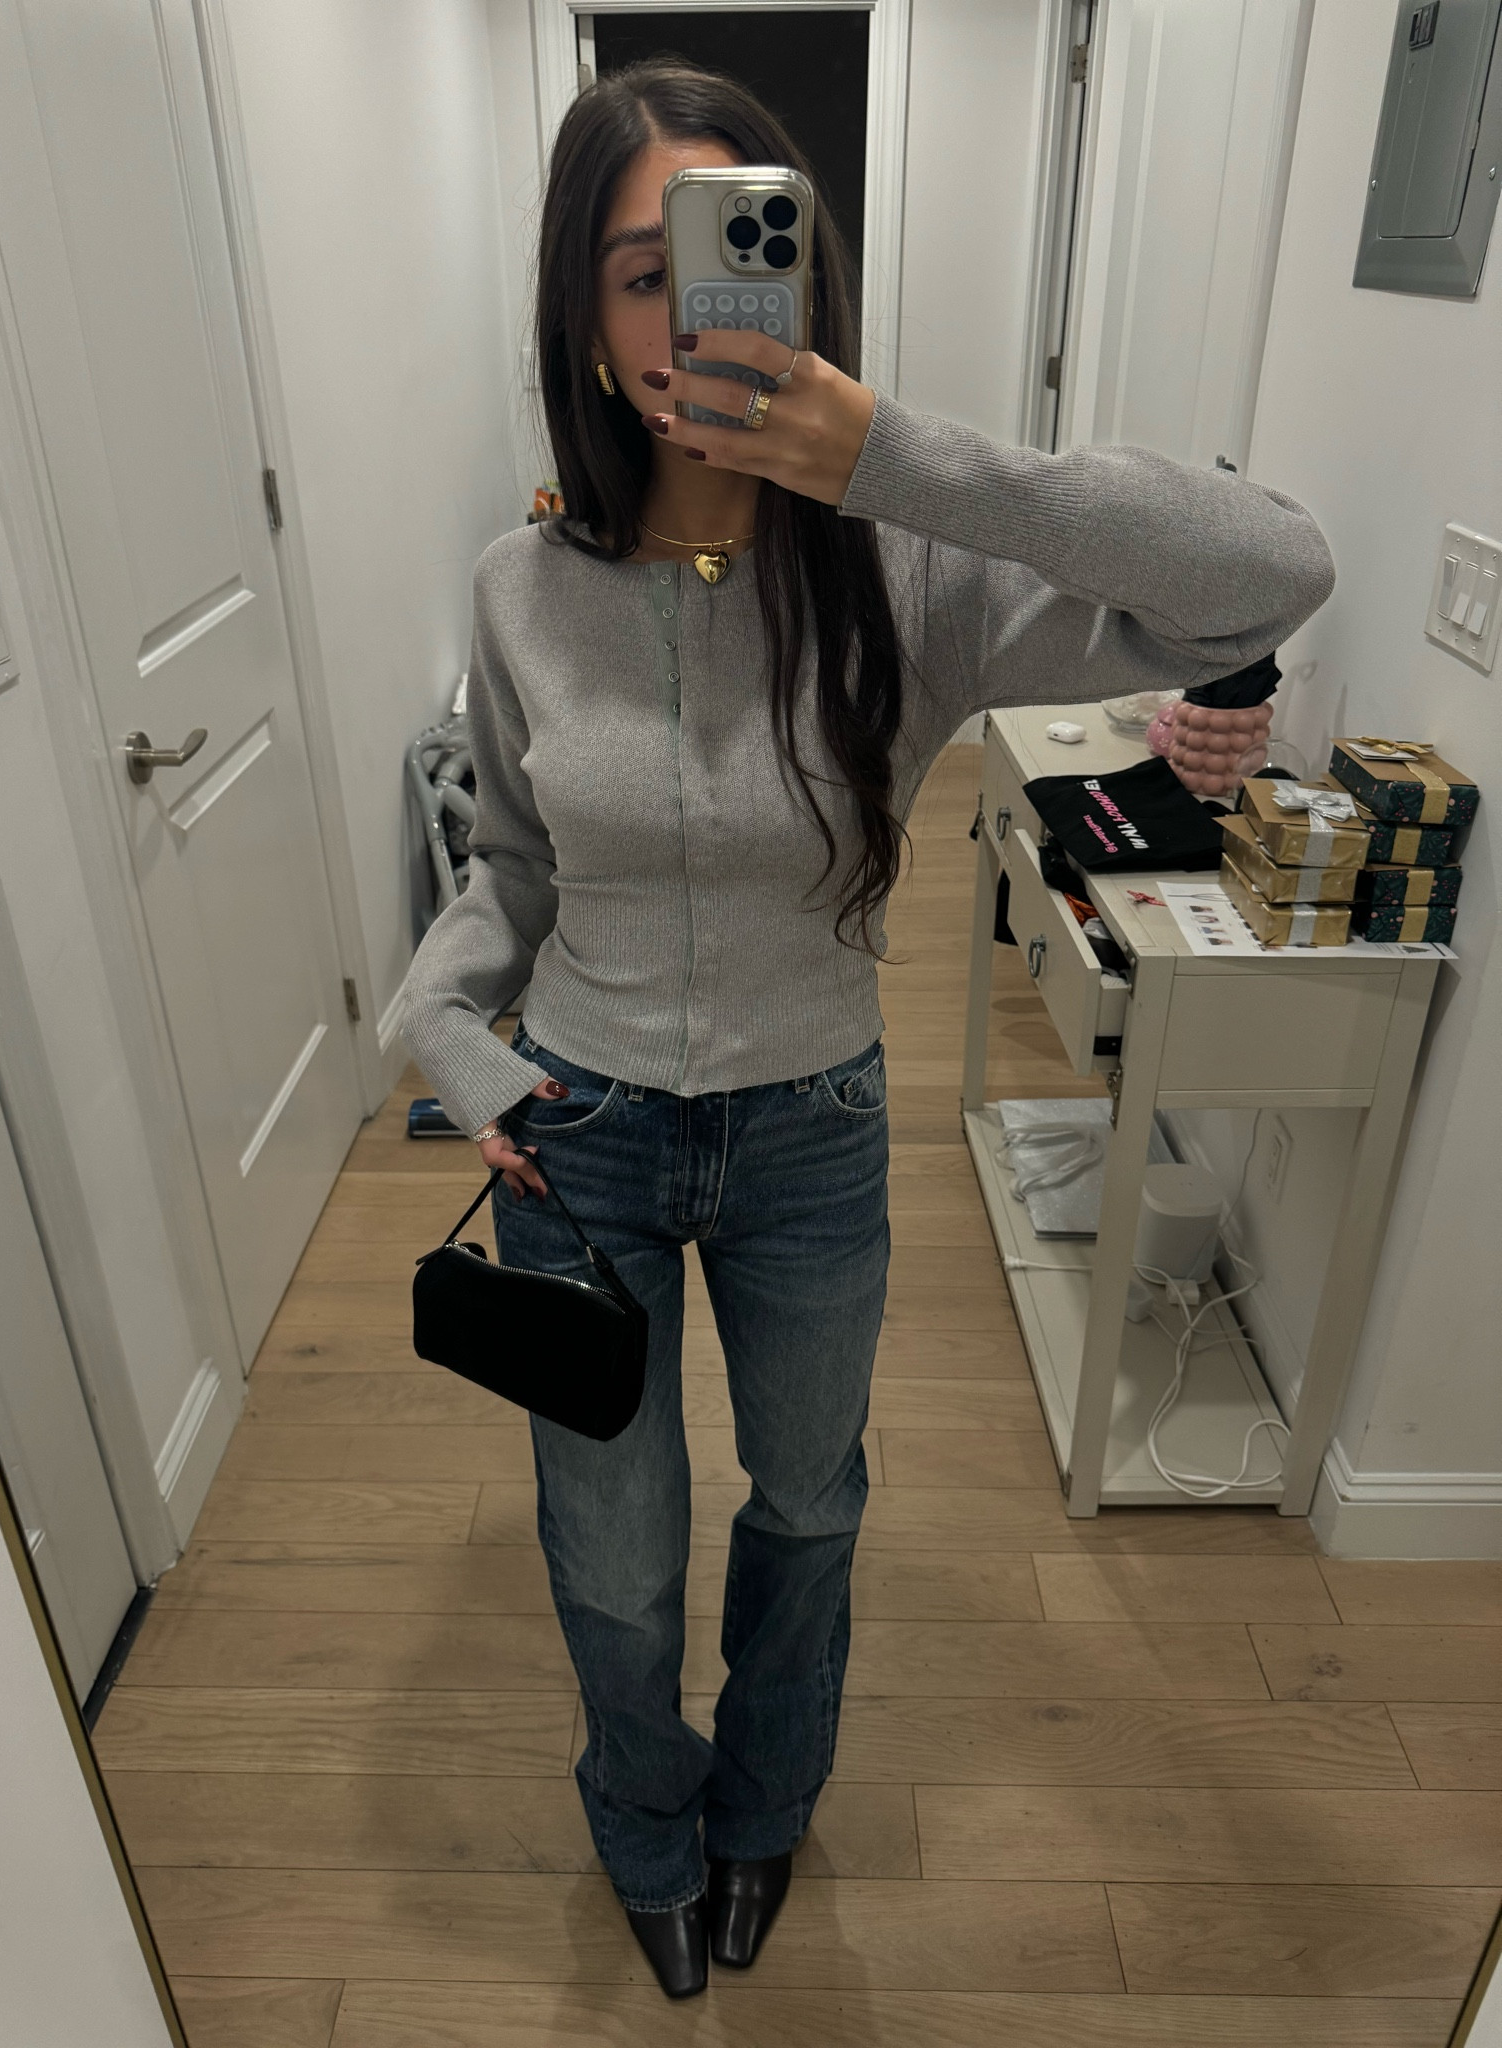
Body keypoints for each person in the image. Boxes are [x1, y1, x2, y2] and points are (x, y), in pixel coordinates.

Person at [403, 61, 1334, 2001]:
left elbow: (1271, 568)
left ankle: (766, 1809)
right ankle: (646, 1822)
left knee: (811, 1503)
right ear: (584, 316)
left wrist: (894, 455)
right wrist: (450, 1032)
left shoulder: (913, 579)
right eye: (637, 272)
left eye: (727, 261)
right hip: (577, 1136)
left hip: (810, 1132)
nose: (685, 315)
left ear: (800, 280)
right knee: (613, 1552)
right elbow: (509, 871)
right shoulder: (517, 589)